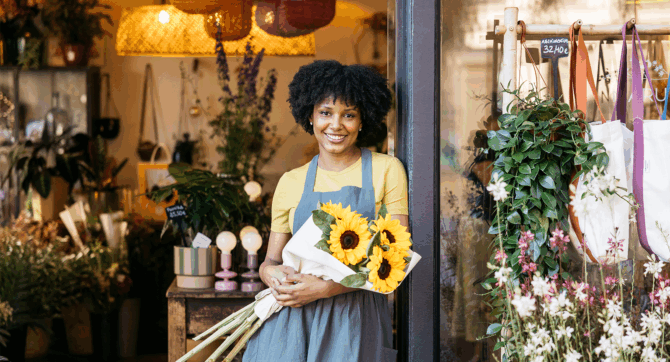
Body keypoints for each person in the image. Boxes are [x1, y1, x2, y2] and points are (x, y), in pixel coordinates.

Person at [242, 60, 408, 362]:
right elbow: (270, 261)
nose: (336, 125)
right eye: (325, 113)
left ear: (362, 120)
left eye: (349, 115)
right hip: (291, 322)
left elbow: (397, 260)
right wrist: (271, 276)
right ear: (310, 116)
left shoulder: (387, 170)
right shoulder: (290, 182)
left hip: (354, 320)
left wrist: (325, 289)